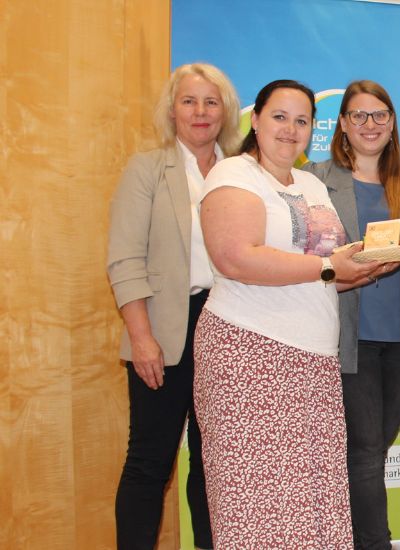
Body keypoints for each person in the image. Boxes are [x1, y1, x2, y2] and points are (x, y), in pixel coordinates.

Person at [193, 79, 383, 548]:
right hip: (248, 356)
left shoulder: (312, 183)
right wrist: (326, 267)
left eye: (302, 121)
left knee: (313, 498)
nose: (290, 129)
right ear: (254, 121)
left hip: (313, 362)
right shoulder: (233, 174)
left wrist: (364, 263)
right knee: (255, 503)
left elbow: (326, 270)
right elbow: (236, 257)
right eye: (279, 117)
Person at [107, 62, 241, 550]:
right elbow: (124, 259)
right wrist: (141, 337)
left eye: (210, 101)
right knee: (150, 460)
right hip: (164, 328)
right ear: (172, 110)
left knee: (214, 465)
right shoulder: (148, 168)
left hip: (229, 326)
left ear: (225, 110)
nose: (201, 112)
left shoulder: (240, 169)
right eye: (189, 101)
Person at [302, 80, 400, 550]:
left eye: (380, 115)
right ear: (343, 126)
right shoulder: (316, 179)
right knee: (367, 454)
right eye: (359, 116)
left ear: (392, 125)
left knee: (371, 452)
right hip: (347, 340)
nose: (370, 125)